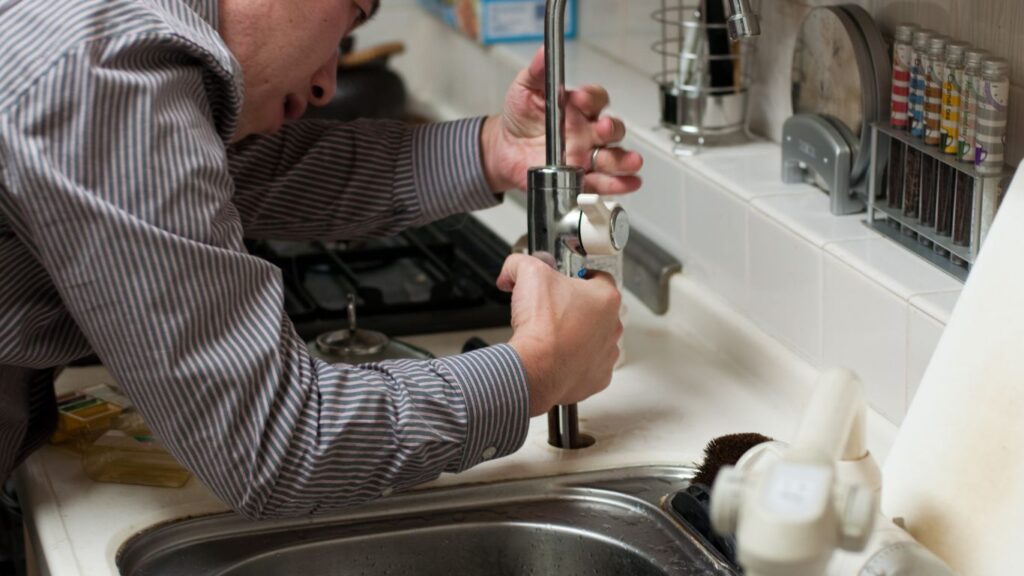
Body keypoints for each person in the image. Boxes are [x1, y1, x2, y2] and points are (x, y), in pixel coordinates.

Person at [0, 0, 643, 519]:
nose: (325, 82)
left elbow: (257, 172)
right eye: (351, 16)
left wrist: (494, 149)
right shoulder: (109, 70)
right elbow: (276, 447)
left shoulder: (111, 34)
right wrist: (537, 369)